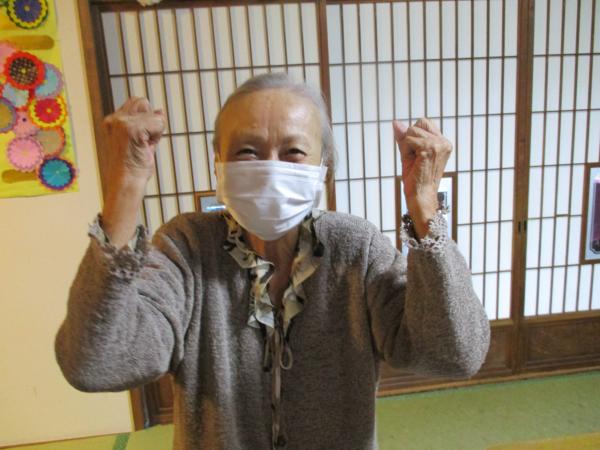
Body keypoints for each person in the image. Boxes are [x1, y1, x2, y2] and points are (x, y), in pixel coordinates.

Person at [55, 73, 490, 450]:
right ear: (218, 162)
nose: (270, 168)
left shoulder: (356, 248)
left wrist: (425, 207)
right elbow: (97, 363)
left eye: (294, 152)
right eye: (247, 151)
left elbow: (453, 354)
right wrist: (126, 186)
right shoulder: (187, 247)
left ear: (324, 167)